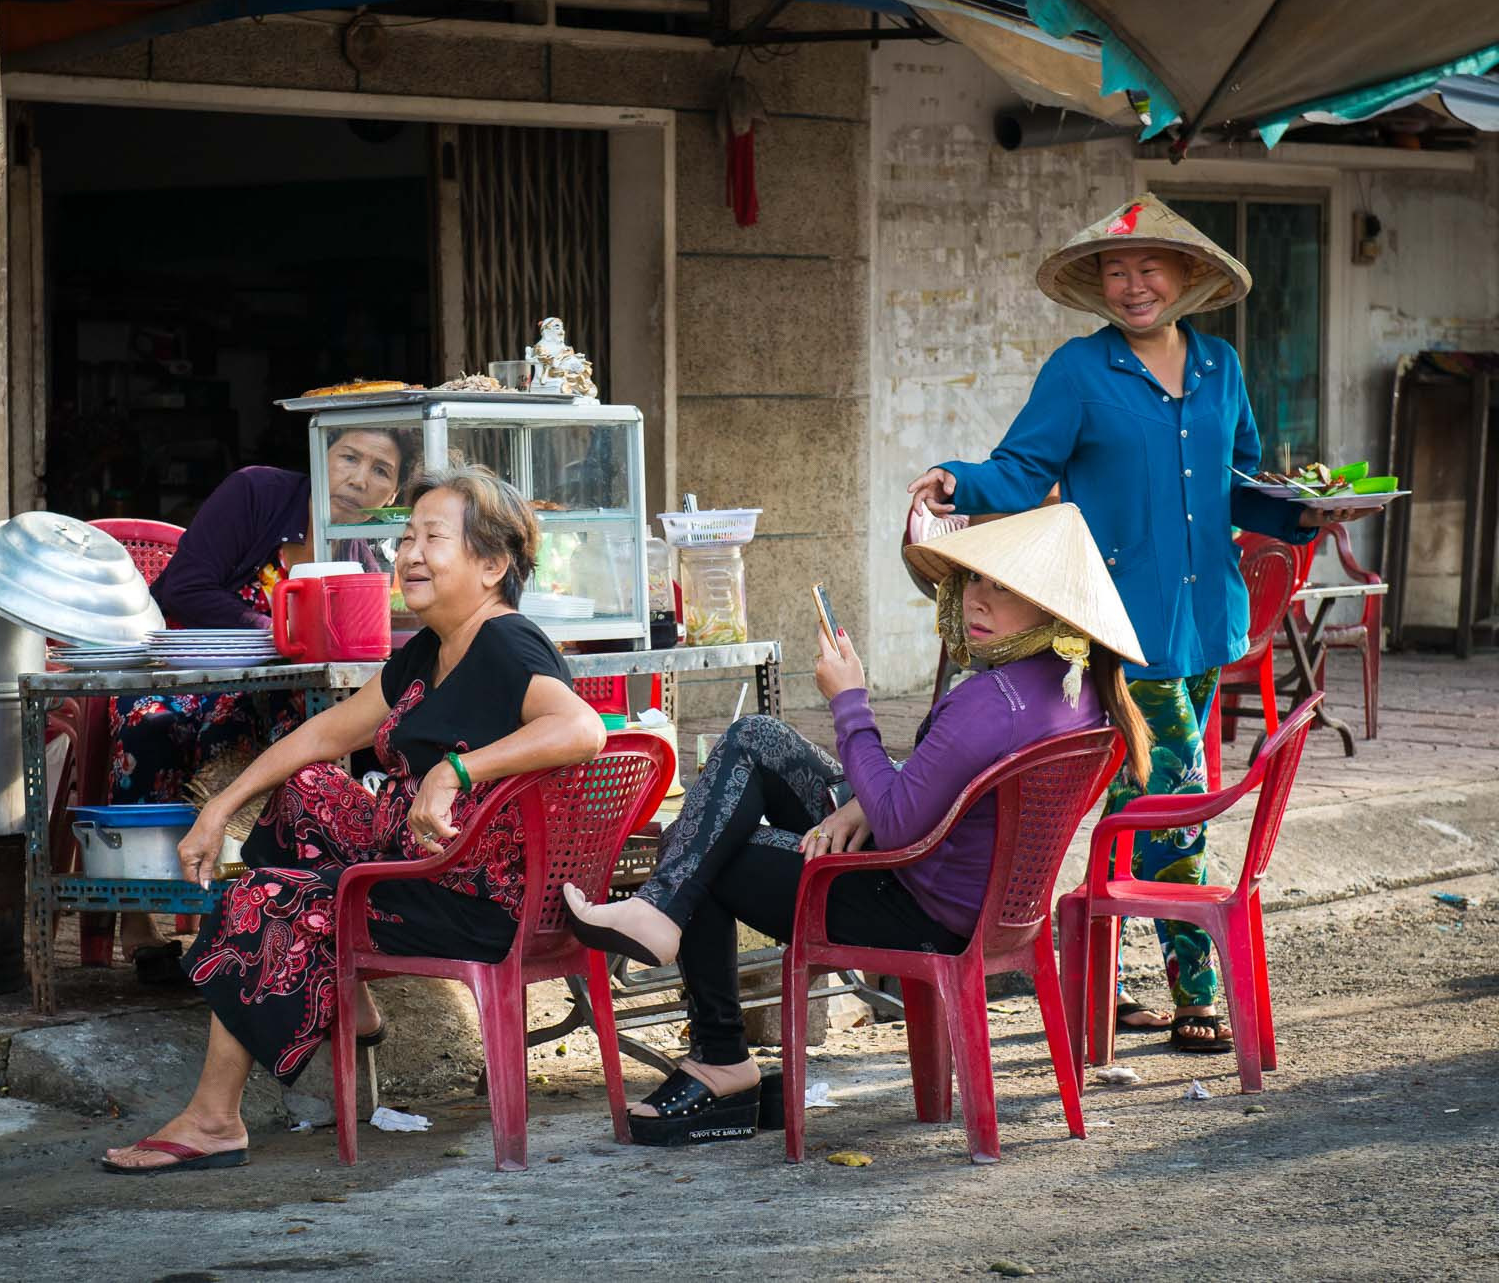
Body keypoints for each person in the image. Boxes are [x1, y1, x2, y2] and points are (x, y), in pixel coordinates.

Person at [904, 194, 1375, 1054]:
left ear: (1188, 276)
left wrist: (1305, 515)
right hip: (1121, 633)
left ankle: (1105, 981)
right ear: (1098, 285)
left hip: (1205, 621)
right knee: (1175, 801)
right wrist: (957, 481)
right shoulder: (1080, 372)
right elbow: (1021, 469)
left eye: (1151, 267)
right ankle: (1196, 988)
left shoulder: (1221, 367)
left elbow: (1240, 486)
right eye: (1117, 271)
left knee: (1134, 799)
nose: (1134, 285)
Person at [564, 504, 1150, 1145]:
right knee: (756, 739)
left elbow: (899, 825)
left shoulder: (988, 702)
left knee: (699, 843)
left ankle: (719, 1054)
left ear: (1051, 608)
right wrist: (864, 800)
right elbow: (932, 789)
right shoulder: (1074, 687)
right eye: (975, 581)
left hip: (911, 902)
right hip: (972, 896)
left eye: (1003, 588)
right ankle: (665, 914)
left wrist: (851, 701)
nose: (977, 600)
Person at [101, 465, 606, 1173]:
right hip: (423, 861)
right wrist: (218, 806)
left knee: (265, 897)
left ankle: (215, 1119)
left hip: (473, 899)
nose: (410, 554)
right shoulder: (431, 649)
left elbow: (583, 729)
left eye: (435, 538)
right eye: (406, 537)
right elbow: (324, 735)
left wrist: (453, 769)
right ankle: (352, 996)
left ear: (492, 564)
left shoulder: (506, 643)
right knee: (306, 787)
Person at [102, 428, 412, 978]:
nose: (359, 478)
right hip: (189, 674)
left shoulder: (375, 549)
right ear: (321, 455)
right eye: (348, 457)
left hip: (280, 693)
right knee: (152, 724)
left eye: (381, 471)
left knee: (324, 731)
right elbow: (186, 589)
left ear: (392, 494)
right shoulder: (257, 494)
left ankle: (266, 908)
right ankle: (137, 910)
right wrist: (283, 630)